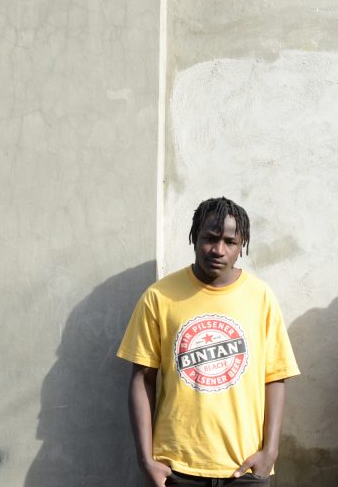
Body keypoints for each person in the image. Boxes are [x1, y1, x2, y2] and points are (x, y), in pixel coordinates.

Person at [117, 197, 300, 487]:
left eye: (230, 242)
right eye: (210, 239)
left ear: (242, 245)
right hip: (176, 467)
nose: (218, 250)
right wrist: (145, 459)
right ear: (194, 237)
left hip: (245, 469)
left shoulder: (260, 297)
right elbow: (142, 378)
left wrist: (270, 452)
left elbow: (275, 378)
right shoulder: (159, 297)